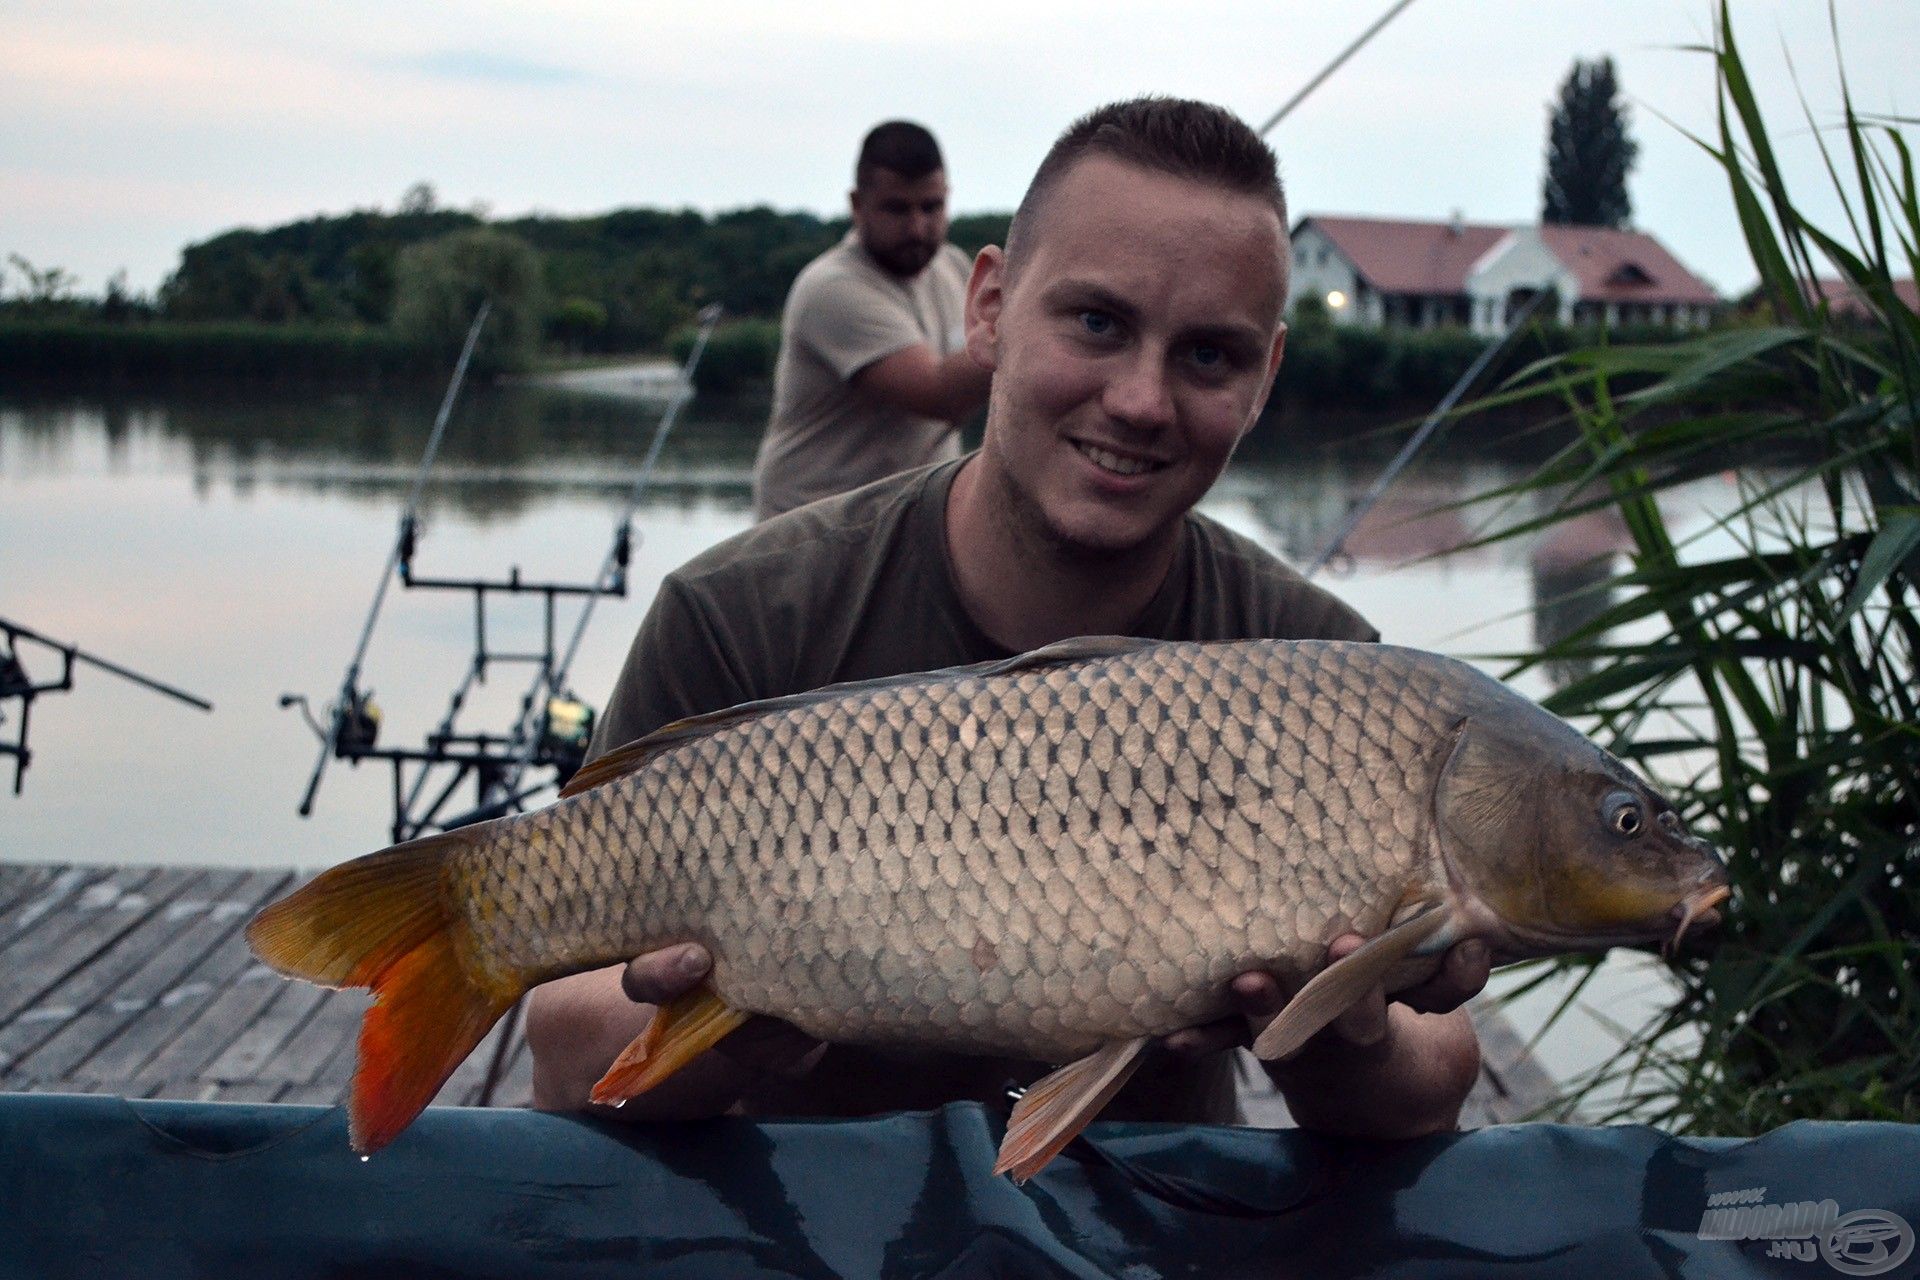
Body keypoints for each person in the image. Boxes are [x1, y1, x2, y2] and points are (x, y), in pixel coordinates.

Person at [529, 97, 1488, 1137]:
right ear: (989, 307)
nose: (1140, 399)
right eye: (1097, 322)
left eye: (1209, 354)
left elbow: (1436, 1079)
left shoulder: (1324, 671)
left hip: (1148, 1234)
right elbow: (560, 1049)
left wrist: (1348, 1034)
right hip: (795, 1226)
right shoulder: (739, 618)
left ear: (1265, 379)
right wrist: (727, 1029)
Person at [750, 120, 991, 521]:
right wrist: (1026, 318)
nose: (917, 227)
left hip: (904, 522)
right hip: (811, 530)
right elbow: (939, 395)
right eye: (897, 208)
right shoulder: (832, 289)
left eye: (931, 207)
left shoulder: (953, 267)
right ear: (858, 205)